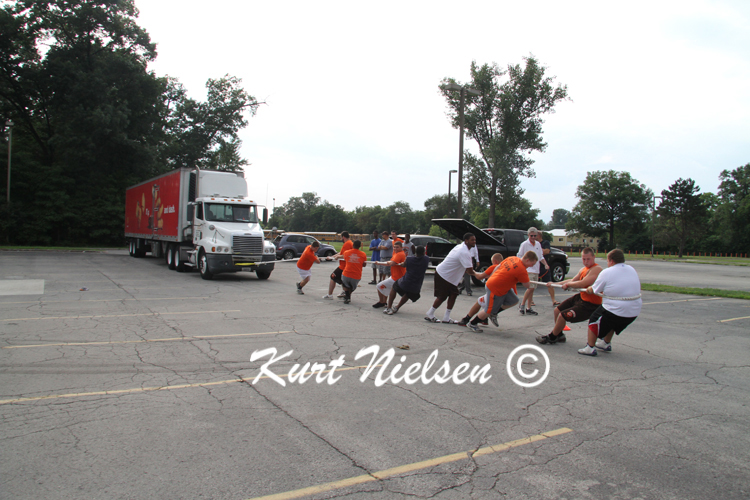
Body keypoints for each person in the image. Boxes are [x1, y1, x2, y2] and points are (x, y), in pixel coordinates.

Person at [578, 249, 642, 356]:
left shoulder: (607, 272)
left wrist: (589, 289)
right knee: (612, 320)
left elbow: (594, 289)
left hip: (618, 308)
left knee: (594, 319)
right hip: (634, 311)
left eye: (608, 261)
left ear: (611, 261)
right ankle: (605, 343)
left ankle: (590, 347)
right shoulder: (631, 269)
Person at [535, 247, 602, 344]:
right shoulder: (583, 269)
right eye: (584, 259)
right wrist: (556, 284)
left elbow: (582, 283)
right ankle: (560, 335)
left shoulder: (597, 269)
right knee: (557, 311)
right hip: (581, 297)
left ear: (594, 257)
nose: (586, 261)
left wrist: (568, 285)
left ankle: (552, 337)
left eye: (588, 259)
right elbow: (572, 281)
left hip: (590, 304)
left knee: (563, 316)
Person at [465, 252, 538, 332]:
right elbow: (527, 285)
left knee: (514, 300)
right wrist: (528, 280)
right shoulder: (522, 270)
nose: (531, 266)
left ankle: (494, 313)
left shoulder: (513, 258)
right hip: (495, 287)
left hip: (503, 287)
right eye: (532, 264)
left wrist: (493, 277)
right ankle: (472, 323)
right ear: (527, 260)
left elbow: (498, 267)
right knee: (488, 310)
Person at [424, 233, 478, 324]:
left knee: (453, 294)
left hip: (449, 277)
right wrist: (482, 275)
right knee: (442, 296)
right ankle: (430, 313)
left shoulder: (461, 247)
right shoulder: (463, 251)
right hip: (444, 274)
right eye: (472, 240)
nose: (474, 242)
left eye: (475, 240)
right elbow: (470, 271)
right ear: (466, 241)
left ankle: (446, 317)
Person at [457, 253, 505, 326]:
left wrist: (473, 273)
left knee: (479, 301)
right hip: (503, 293)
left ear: (495, 261)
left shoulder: (494, 267)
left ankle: (467, 319)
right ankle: (483, 319)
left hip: (495, 292)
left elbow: (480, 277)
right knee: (484, 302)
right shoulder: (503, 268)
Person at [385, 245, 431, 315]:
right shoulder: (426, 259)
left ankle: (389, 307)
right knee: (408, 294)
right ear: (423, 253)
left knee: (394, 287)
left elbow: (403, 265)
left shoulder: (409, 259)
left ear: (415, 252)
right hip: (416, 285)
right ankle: (397, 307)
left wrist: (403, 263)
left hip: (406, 281)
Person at [517, 227, 547, 316]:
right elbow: (519, 256)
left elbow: (540, 256)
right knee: (530, 288)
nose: (533, 237)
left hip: (536, 269)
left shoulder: (538, 244)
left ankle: (529, 307)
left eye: (535, 236)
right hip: (528, 269)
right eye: (531, 236)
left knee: (532, 289)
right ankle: (522, 304)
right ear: (528, 235)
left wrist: (545, 264)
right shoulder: (524, 244)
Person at [373, 240, 406, 308]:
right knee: (386, 288)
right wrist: (379, 263)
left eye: (397, 247)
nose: (395, 249)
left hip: (397, 278)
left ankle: (381, 302)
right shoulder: (396, 254)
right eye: (394, 247)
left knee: (379, 286)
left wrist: (388, 263)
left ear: (401, 248)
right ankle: (384, 302)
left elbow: (392, 263)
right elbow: (390, 262)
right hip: (394, 276)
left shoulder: (400, 254)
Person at [323, 231, 352, 299]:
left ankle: (330, 295)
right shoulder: (349, 243)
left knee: (333, 276)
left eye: (341, 237)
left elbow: (344, 255)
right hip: (345, 265)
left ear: (343, 237)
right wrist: (332, 256)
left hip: (343, 266)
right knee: (342, 280)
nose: (340, 239)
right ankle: (344, 291)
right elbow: (341, 253)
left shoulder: (347, 244)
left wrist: (337, 257)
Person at [339, 240, 368, 304]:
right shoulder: (363, 254)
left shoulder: (346, 252)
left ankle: (347, 296)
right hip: (356, 276)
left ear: (353, 245)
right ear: (360, 246)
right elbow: (364, 265)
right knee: (352, 287)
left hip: (346, 274)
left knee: (345, 284)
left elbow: (345, 259)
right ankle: (347, 296)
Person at [536, 231, 560, 306]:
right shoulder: (533, 243)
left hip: (544, 266)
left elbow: (547, 251)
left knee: (549, 283)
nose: (533, 237)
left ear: (539, 236)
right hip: (535, 266)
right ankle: (531, 301)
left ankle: (553, 300)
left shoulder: (545, 242)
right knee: (532, 285)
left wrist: (538, 250)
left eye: (535, 235)